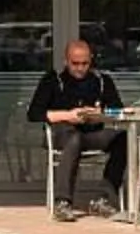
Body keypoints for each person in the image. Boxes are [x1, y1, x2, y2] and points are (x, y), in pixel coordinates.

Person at [28, 38, 126, 221]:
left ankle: (103, 198)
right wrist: (68, 115)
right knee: (74, 139)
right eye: (75, 63)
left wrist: (99, 113)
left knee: (122, 138)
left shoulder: (102, 80)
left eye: (85, 63)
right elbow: (34, 113)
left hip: (92, 132)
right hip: (61, 133)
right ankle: (62, 202)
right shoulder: (53, 80)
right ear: (66, 61)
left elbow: (117, 110)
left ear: (91, 61)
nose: (80, 68)